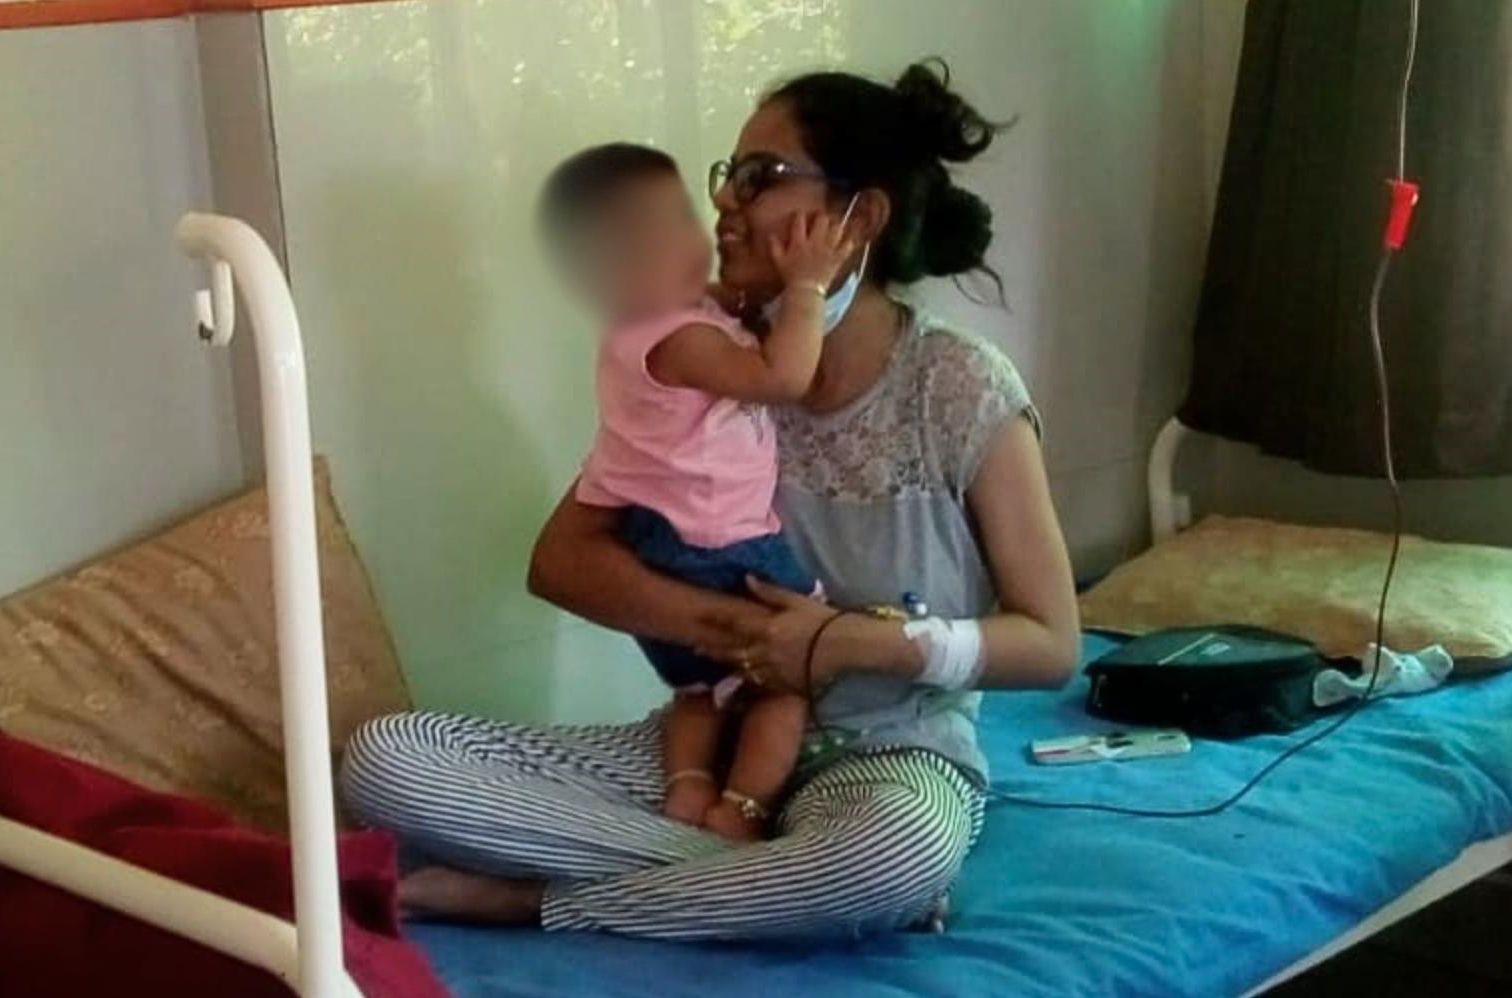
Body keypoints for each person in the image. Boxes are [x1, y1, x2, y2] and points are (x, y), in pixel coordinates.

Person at [340, 58, 1081, 940]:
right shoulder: (712, 357)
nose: (725, 200)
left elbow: (1051, 643)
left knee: (895, 852)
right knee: (386, 761)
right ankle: (768, 880)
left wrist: (840, 644)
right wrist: (740, 634)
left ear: (859, 218)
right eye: (729, 174)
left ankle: (547, 900)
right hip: (713, 740)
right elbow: (563, 561)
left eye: (762, 177)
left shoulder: (959, 387)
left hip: (884, 758)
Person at [536, 142, 856, 841]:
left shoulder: (647, 327)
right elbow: (781, 377)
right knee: (789, 680)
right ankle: (741, 809)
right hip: (719, 542)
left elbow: (719, 313)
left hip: (653, 540)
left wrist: (731, 300)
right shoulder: (681, 338)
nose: (706, 225)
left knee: (698, 688)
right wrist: (807, 289)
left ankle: (686, 793)